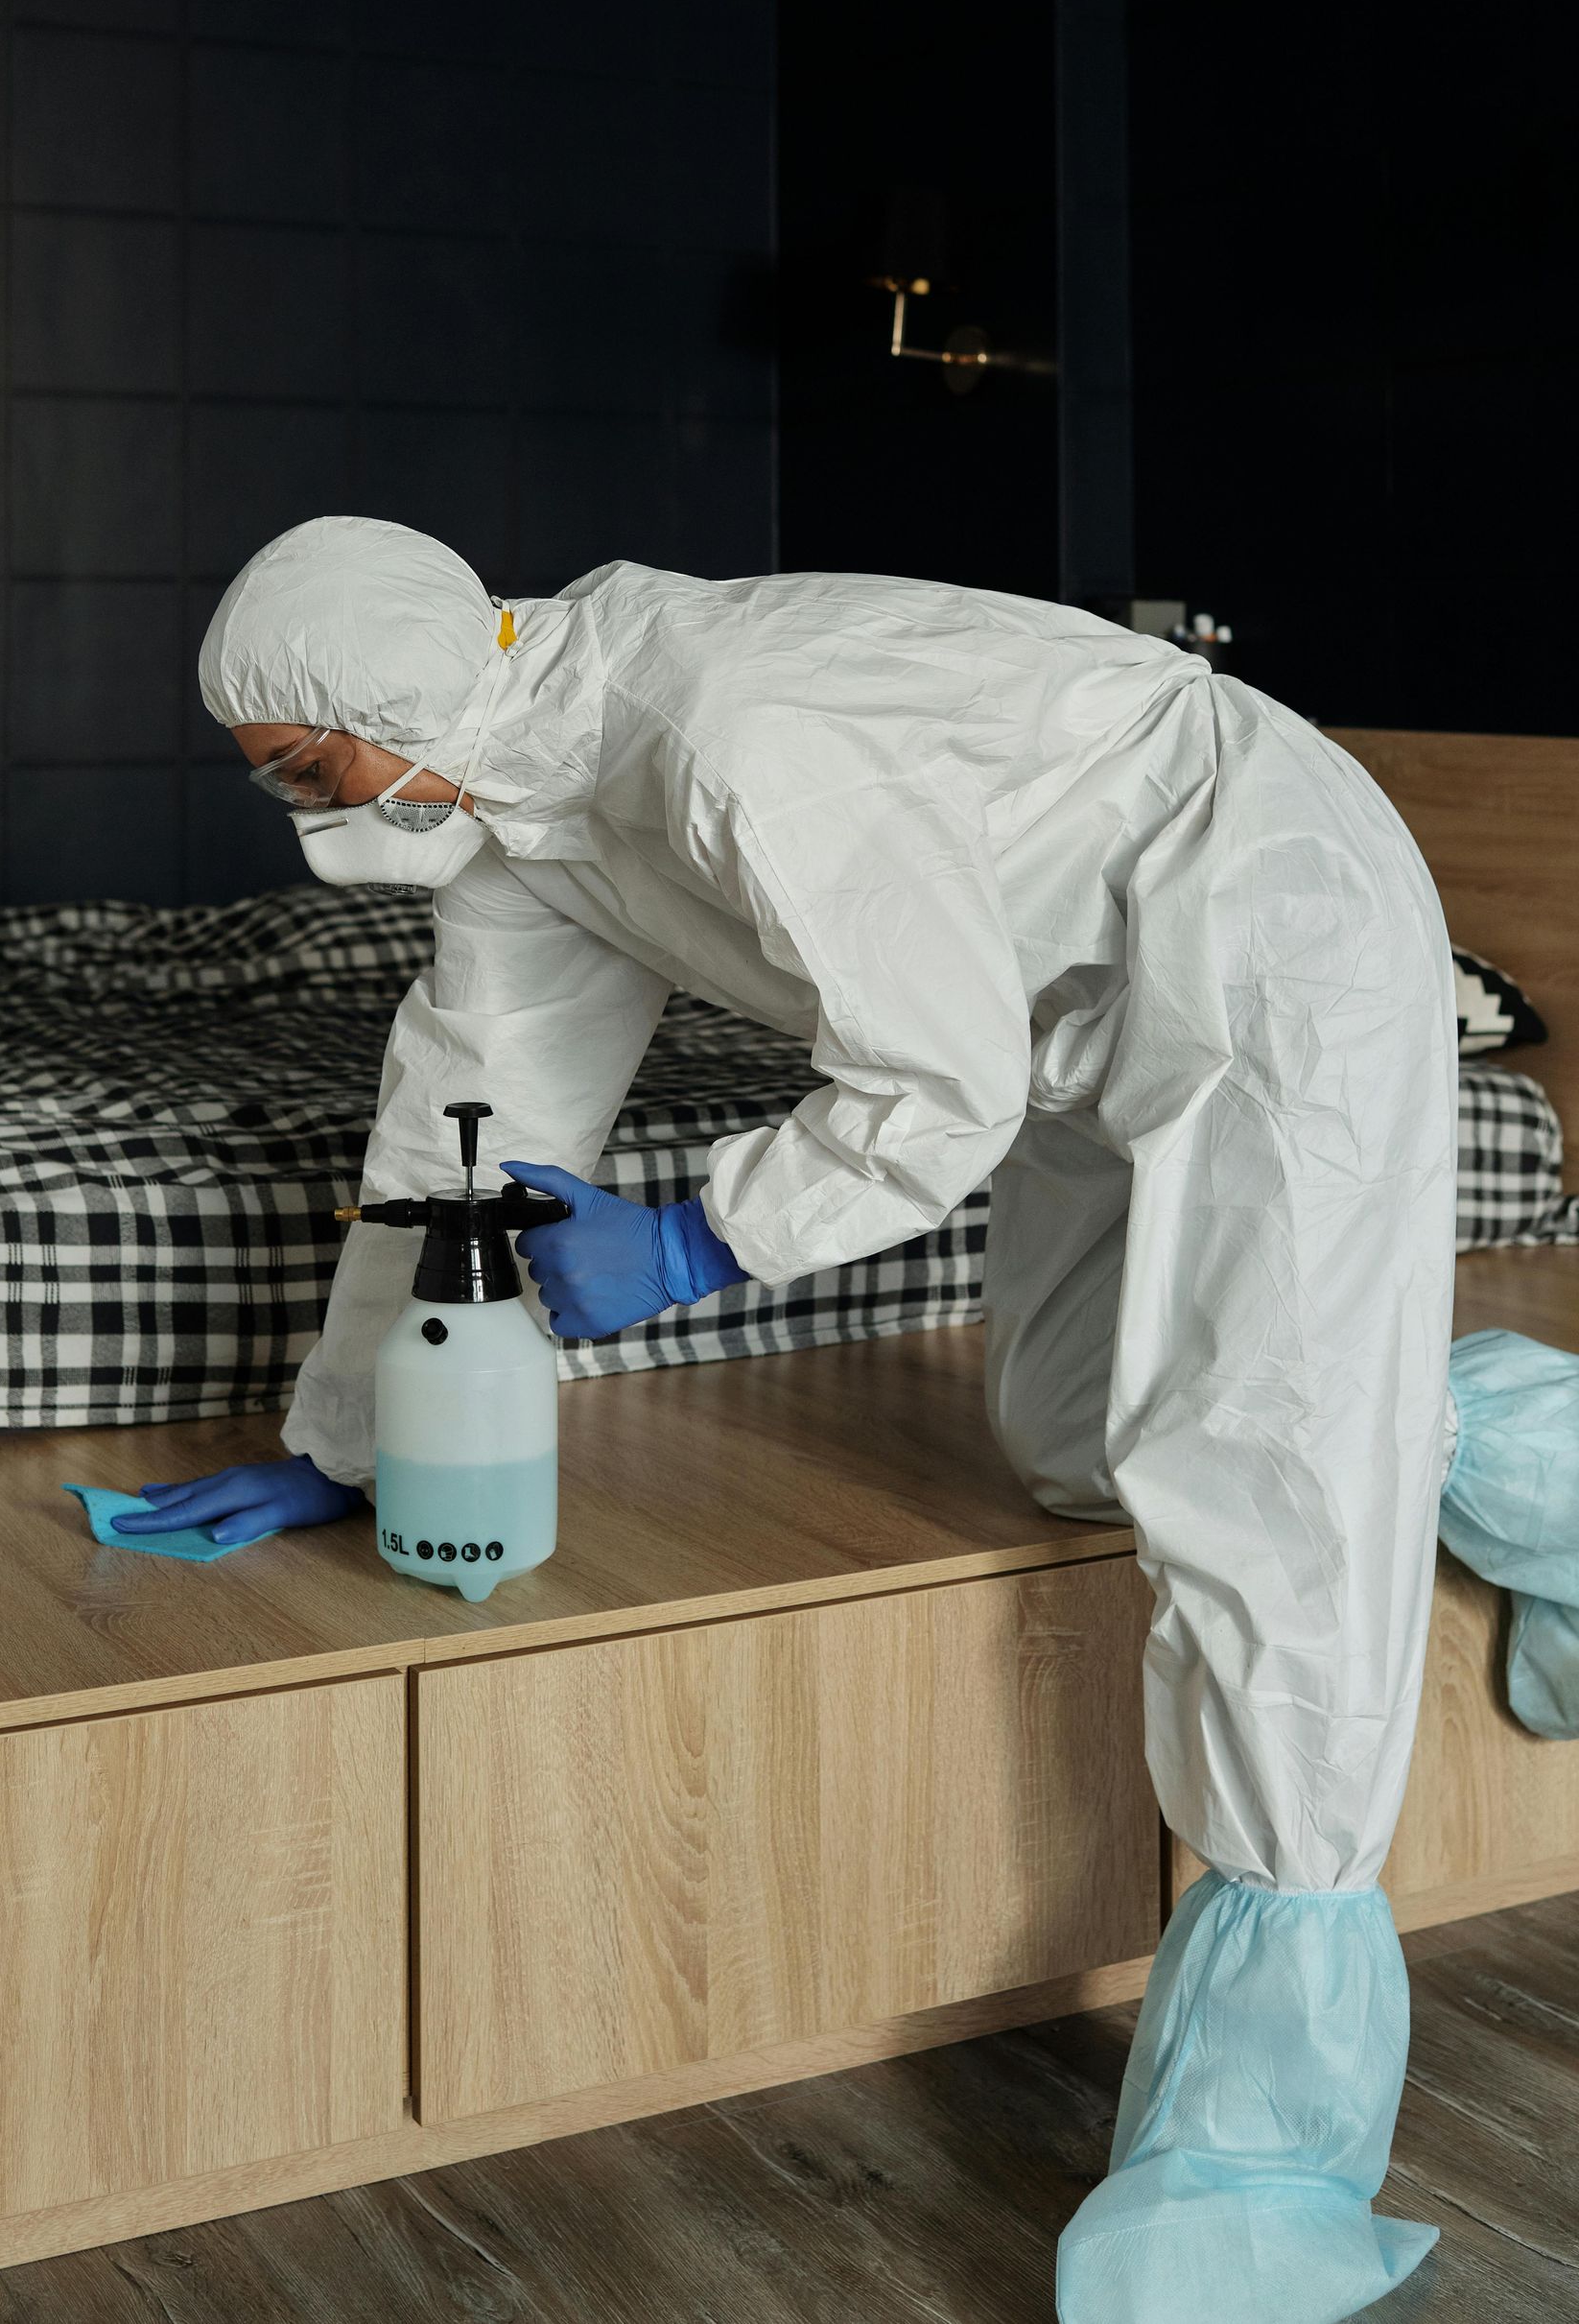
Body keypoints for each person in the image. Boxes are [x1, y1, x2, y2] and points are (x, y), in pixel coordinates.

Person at [121, 512, 1461, 2323]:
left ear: (394, 695)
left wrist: (694, 1236)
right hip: (1062, 995)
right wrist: (345, 1437)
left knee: (1258, 1477)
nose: (299, 806)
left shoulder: (722, 728)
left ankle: (1259, 2153)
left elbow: (938, 1079)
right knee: (1090, 1439)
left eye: (303, 763)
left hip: (1258, 910)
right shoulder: (519, 813)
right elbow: (463, 1108)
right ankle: (1447, 1428)